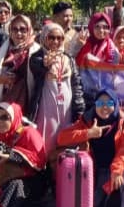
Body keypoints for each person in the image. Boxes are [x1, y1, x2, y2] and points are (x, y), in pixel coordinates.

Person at [56, 87, 124, 207]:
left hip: (120, 168)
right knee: (95, 205)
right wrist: (88, 133)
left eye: (109, 103)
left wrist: (117, 171)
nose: (104, 108)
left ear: (116, 104)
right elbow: (61, 138)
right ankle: (104, 195)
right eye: (100, 104)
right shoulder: (88, 120)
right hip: (100, 171)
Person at [28, 22, 85, 161]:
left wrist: (80, 109)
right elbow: (36, 67)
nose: (56, 41)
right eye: (51, 37)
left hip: (66, 106)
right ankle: (44, 168)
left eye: (59, 38)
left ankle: (62, 170)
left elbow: (76, 84)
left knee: (64, 135)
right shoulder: (38, 57)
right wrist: (45, 65)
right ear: (44, 38)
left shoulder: (69, 58)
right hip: (47, 104)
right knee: (46, 135)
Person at [0, 14, 40, 115]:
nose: (19, 33)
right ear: (10, 31)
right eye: (15, 29)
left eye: (23, 29)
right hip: (0, 103)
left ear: (29, 31)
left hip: (26, 104)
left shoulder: (37, 51)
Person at [75, 12, 120, 108]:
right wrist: (80, 46)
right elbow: (75, 63)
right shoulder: (83, 43)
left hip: (106, 96)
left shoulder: (113, 48)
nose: (101, 30)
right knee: (88, 120)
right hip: (86, 95)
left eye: (105, 27)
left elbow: (116, 72)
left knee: (104, 120)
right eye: (97, 27)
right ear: (91, 27)